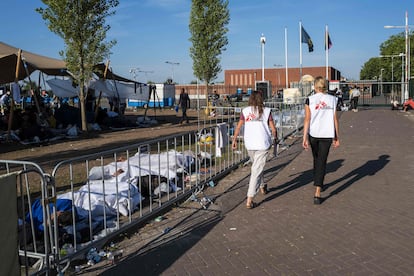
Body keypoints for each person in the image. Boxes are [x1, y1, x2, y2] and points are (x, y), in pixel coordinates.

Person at [232, 90, 277, 209]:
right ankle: (249, 199)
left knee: (257, 167)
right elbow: (273, 129)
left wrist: (234, 139)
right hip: (262, 143)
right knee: (256, 170)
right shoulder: (266, 111)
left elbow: (239, 126)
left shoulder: (246, 111)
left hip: (250, 143)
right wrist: (275, 137)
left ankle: (262, 186)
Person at [302, 76, 340, 205]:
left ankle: (318, 186)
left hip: (314, 133)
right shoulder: (333, 99)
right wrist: (336, 136)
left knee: (317, 158)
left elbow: (307, 119)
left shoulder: (310, 100)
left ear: (314, 87)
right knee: (322, 160)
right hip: (327, 133)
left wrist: (304, 137)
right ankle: (318, 185)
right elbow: (335, 119)